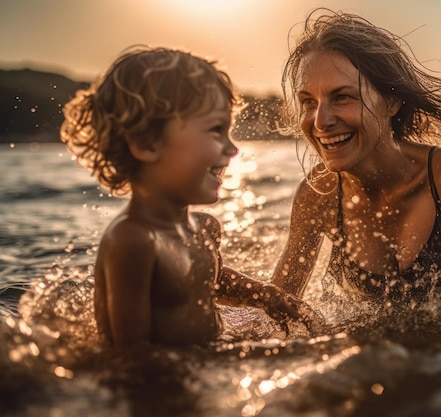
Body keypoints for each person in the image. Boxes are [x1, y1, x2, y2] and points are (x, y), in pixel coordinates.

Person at [272, 9, 441, 302]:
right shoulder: (318, 195)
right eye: (308, 102)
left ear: (392, 102)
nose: (319, 122)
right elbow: (276, 310)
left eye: (342, 97)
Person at [60, 46, 319, 348]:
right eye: (215, 132)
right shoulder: (132, 242)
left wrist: (265, 296)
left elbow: (210, 280)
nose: (232, 149)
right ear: (147, 143)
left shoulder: (204, 228)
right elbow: (130, 357)